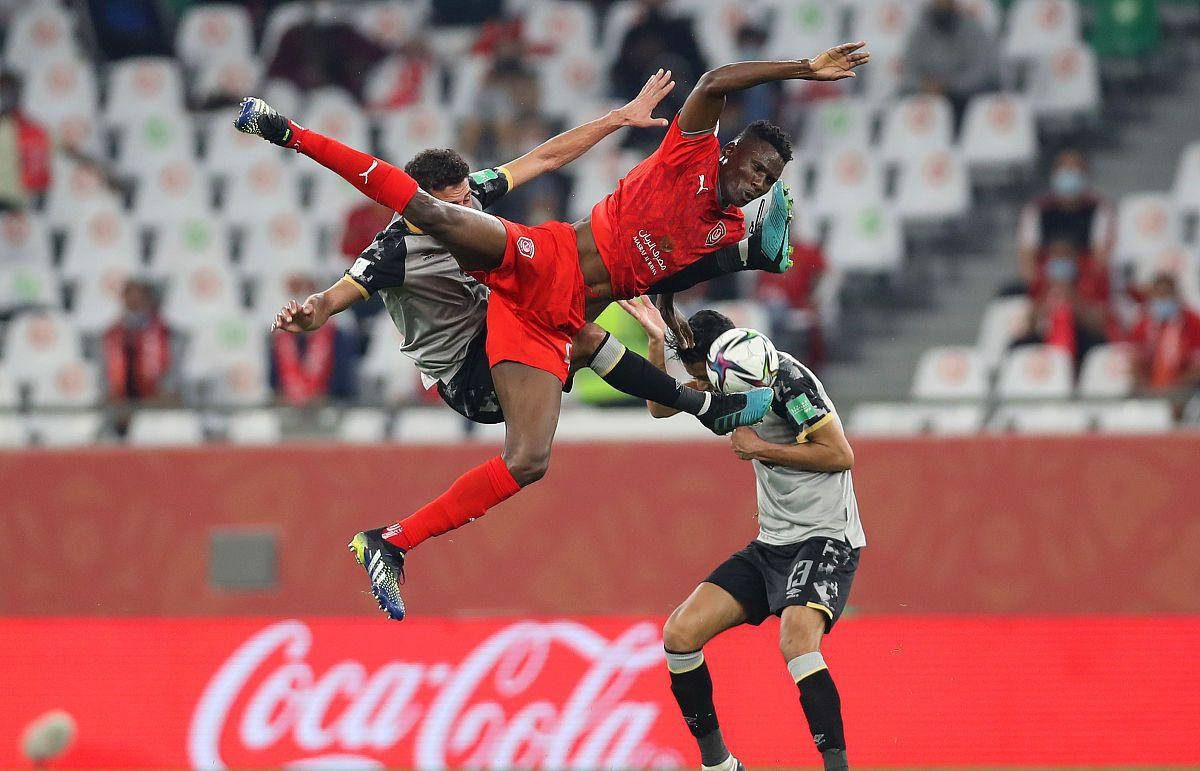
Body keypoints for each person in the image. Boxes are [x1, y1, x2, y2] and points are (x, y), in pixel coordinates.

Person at [237, 44, 869, 621]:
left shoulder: (719, 225)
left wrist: (671, 317)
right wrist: (804, 69)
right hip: (529, 284)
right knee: (449, 231)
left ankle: (391, 541)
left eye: (769, 182)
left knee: (532, 458)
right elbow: (716, 80)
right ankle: (287, 130)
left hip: (548, 319)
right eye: (756, 168)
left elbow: (559, 171)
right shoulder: (692, 150)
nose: (758, 182)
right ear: (730, 151)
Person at [620, 295, 863, 771]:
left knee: (796, 643)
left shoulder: (788, 383)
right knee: (680, 633)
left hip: (825, 535)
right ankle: (720, 765)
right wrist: (656, 342)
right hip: (773, 542)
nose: (701, 382)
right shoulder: (727, 372)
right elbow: (660, 406)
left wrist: (760, 448)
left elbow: (841, 455)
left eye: (698, 371)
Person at [1016, 149, 1115, 289]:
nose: (1069, 172)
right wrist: (1041, 287)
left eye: (1075, 168)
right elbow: (1027, 257)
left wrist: (1083, 287)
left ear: (1085, 174)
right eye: (1064, 168)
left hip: (1085, 281)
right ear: (1054, 173)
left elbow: (1100, 257)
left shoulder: (1100, 209)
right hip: (1045, 280)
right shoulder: (1036, 209)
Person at [900, 0, 1000, 133]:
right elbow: (909, 70)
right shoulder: (920, 31)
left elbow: (980, 71)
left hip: (963, 96)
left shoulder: (972, 29)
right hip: (926, 92)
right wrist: (924, 85)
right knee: (903, 100)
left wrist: (949, 86)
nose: (942, 5)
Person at [1128, 273, 1200, 401]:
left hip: (1185, 389)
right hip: (1151, 388)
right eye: (1158, 295)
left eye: (1166, 294)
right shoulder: (1143, 323)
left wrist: (1172, 388)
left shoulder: (1193, 322)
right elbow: (1135, 361)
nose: (1162, 299)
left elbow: (1197, 368)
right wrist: (1149, 388)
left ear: (1176, 296)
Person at [0, 70, 50, 211]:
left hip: (14, 204)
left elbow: (37, 180)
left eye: (9, 92)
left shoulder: (32, 131)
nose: (4, 98)